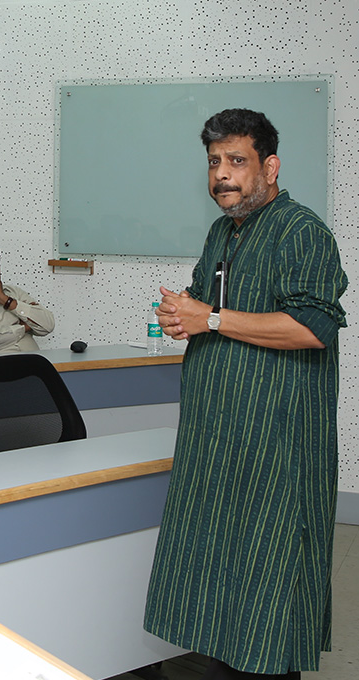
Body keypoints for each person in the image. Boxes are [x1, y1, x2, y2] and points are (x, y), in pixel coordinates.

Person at [144, 109, 347, 679]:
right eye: (214, 163)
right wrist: (182, 316)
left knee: (271, 582)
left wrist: (208, 318)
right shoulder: (222, 232)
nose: (223, 175)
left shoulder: (302, 231)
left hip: (274, 448)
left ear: (270, 166)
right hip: (218, 442)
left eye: (237, 161)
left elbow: (311, 328)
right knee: (214, 576)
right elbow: (211, 308)